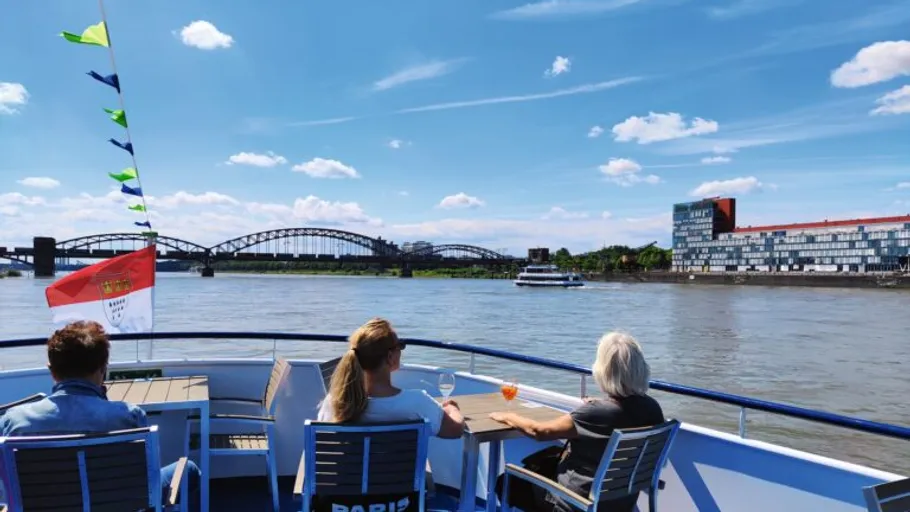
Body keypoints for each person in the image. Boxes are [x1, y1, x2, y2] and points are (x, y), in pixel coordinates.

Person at [0, 321, 202, 512]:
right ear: (103, 369)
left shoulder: (14, 421)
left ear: (52, 372)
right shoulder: (128, 416)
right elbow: (148, 482)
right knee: (189, 469)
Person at [490, 332, 664, 512]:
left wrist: (507, 416)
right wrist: (599, 405)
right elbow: (621, 414)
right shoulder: (652, 408)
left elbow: (539, 431)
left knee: (506, 482)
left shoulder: (595, 414)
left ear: (603, 371)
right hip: (621, 503)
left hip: (575, 502)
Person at [319, 317, 465, 439]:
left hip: (349, 474)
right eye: (399, 346)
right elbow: (455, 430)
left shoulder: (335, 402)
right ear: (390, 357)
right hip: (401, 474)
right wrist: (452, 409)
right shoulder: (417, 402)